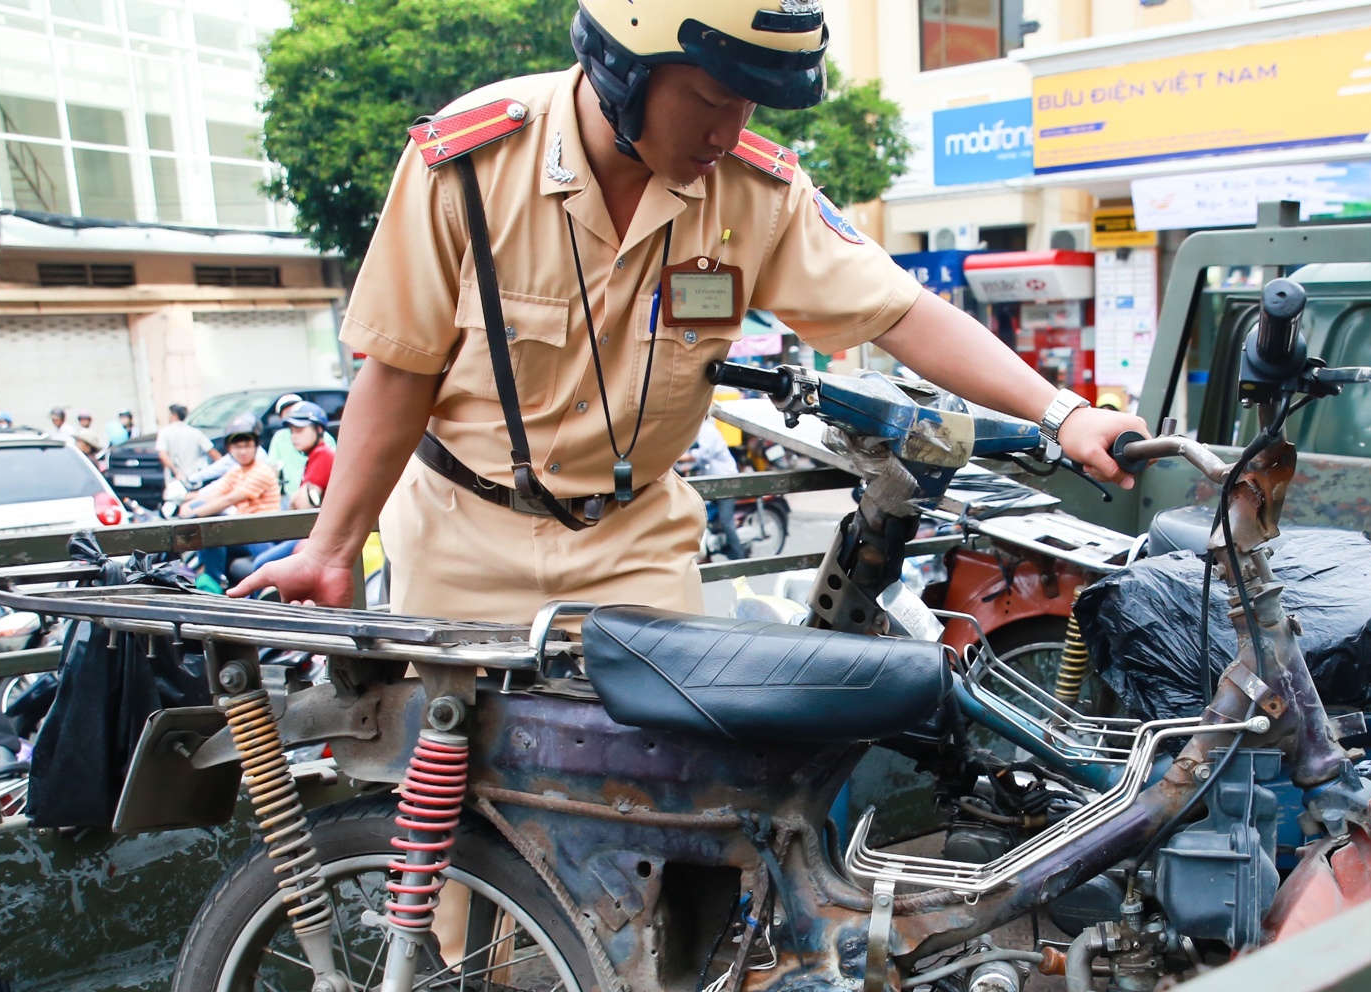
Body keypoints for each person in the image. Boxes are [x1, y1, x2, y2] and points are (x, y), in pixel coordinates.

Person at [234, 0, 1140, 622]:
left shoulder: (755, 192)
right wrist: (332, 547)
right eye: (710, 98)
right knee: (458, 850)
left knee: (667, 839)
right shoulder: (468, 166)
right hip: (459, 541)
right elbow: (400, 368)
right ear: (623, 68)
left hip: (635, 546)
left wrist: (1063, 415)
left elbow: (899, 312)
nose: (729, 127)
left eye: (747, 102)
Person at [186, 414, 280, 585]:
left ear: (255, 446)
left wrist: (192, 516)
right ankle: (211, 580)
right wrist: (190, 505)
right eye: (237, 446)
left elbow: (228, 499)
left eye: (247, 445)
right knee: (210, 532)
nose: (243, 451)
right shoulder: (237, 471)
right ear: (229, 449)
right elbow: (215, 494)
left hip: (263, 532)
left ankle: (214, 581)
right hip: (244, 529)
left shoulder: (261, 472)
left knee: (213, 528)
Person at [248, 402, 338, 574]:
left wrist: (296, 498)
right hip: (310, 532)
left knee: (261, 564)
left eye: (300, 430)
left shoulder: (323, 454)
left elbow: (303, 504)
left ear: (319, 430)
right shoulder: (314, 456)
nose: (294, 436)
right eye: (292, 431)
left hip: (316, 536)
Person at [679, 415, 745, 559]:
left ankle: (739, 557)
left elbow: (703, 454)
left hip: (726, 481)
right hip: (713, 482)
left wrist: (683, 458)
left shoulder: (708, 431)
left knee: (726, 521)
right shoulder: (697, 431)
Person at [156, 403, 219, 487]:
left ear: (174, 415)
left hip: (174, 481)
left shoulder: (164, 432)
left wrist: (175, 472)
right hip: (194, 478)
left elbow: (162, 455)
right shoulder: (195, 432)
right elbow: (214, 453)